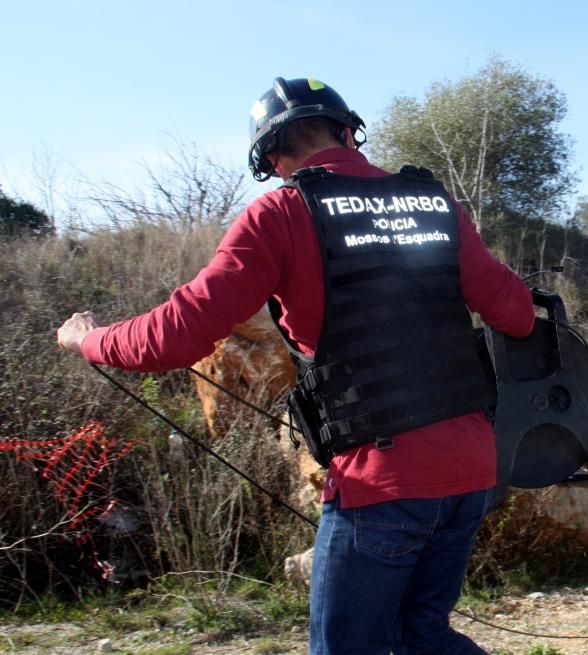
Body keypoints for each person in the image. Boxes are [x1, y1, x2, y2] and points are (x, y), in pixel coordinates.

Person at [57, 76, 535, 654]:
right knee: (421, 635)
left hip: (380, 481)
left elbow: (179, 334)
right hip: (471, 470)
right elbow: (517, 315)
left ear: (274, 156)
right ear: (347, 132)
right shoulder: (437, 205)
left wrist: (89, 339)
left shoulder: (281, 213)